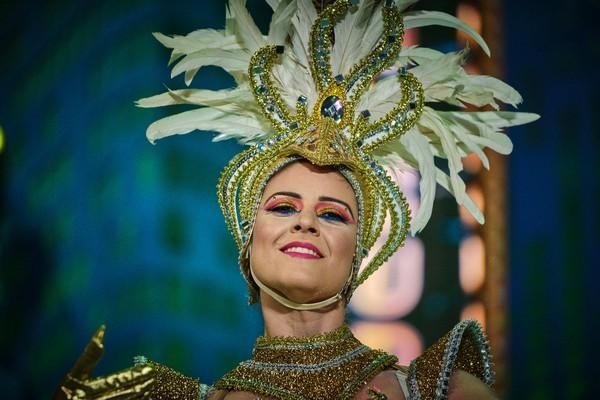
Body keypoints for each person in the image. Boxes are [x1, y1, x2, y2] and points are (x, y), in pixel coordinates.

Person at [54, 0, 538, 399]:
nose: (305, 222)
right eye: (283, 207)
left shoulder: (443, 391)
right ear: (247, 241)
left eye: (332, 214)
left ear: (361, 256)